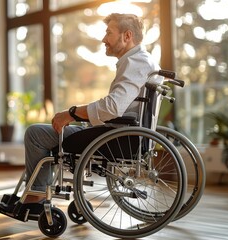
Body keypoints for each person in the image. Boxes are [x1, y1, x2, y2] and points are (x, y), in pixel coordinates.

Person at [23, 13, 161, 203]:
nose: (104, 39)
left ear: (127, 36)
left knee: (35, 134)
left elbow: (113, 107)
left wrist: (72, 113)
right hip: (121, 134)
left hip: (116, 137)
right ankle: (37, 191)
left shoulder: (135, 63)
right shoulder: (143, 61)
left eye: (109, 33)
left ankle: (35, 196)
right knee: (43, 132)